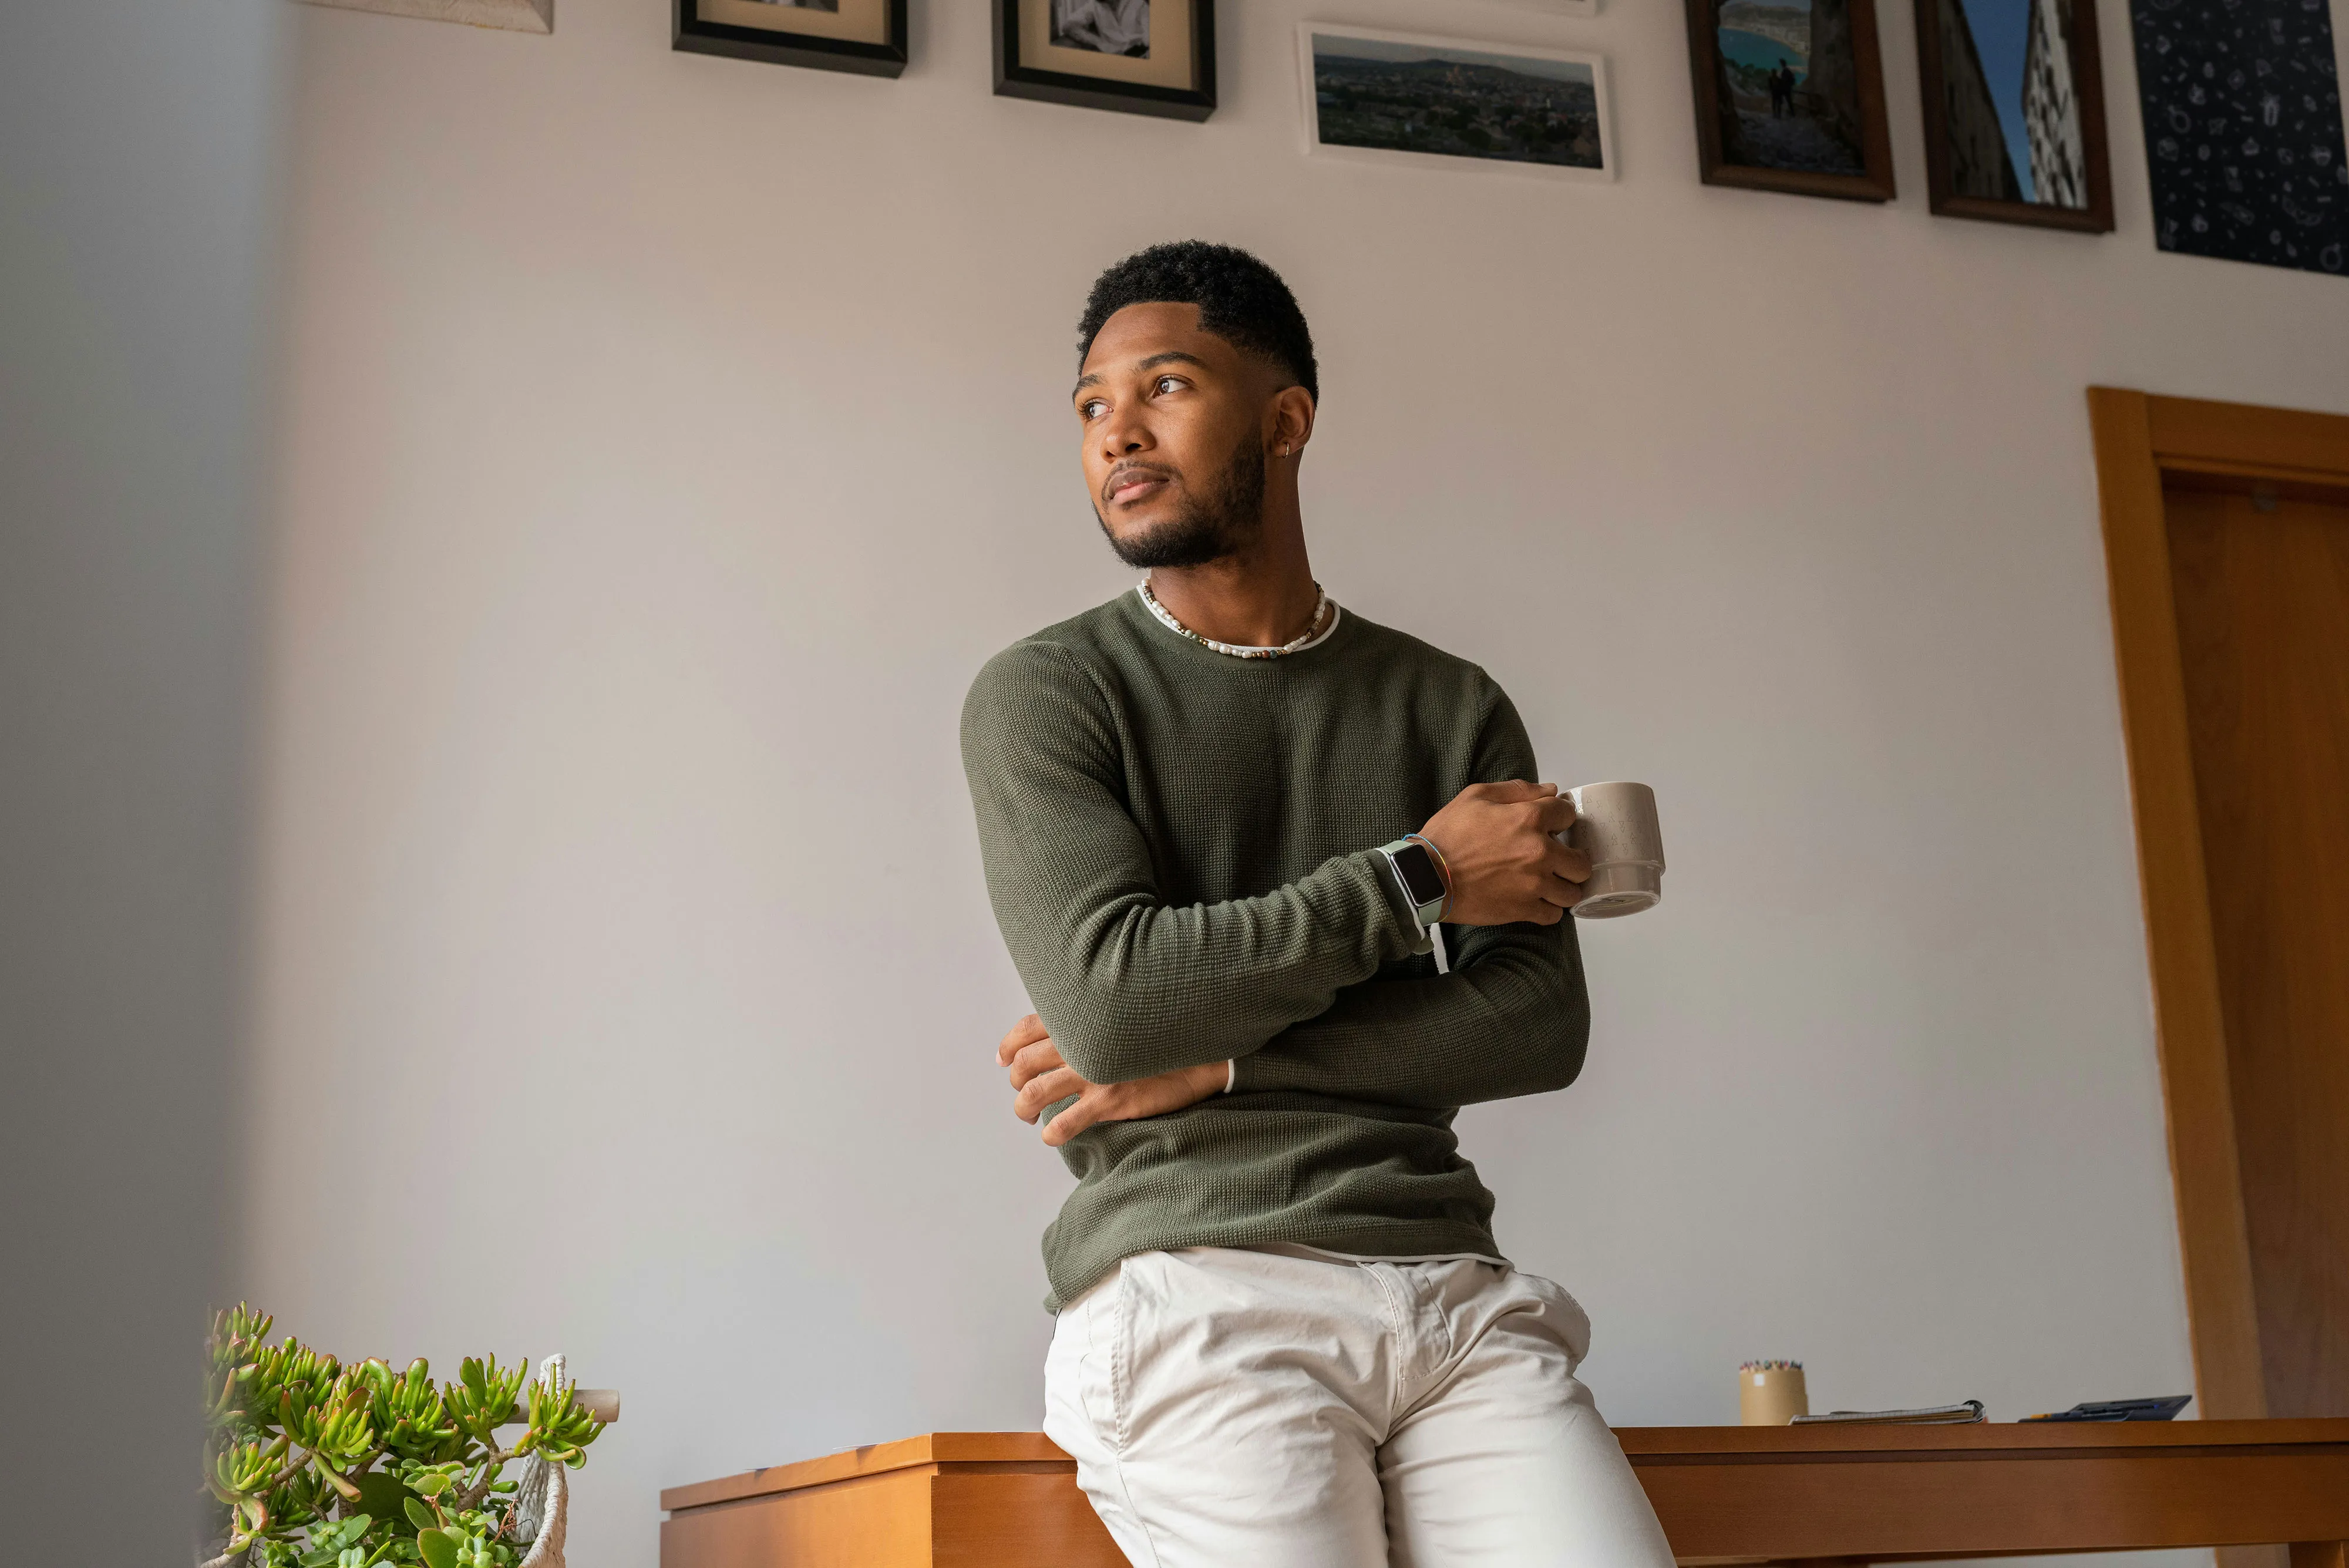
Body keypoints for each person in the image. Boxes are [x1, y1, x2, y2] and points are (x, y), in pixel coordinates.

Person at [960, 241, 1677, 1568]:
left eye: (1163, 386)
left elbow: (1532, 1027)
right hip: (1196, 1293)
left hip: (1454, 1296)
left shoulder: (1447, 705)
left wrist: (1217, 1061)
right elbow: (1114, 1006)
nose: (1115, 427)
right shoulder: (1049, 693)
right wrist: (1424, 876)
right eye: (1088, 403)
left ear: (1283, 420)